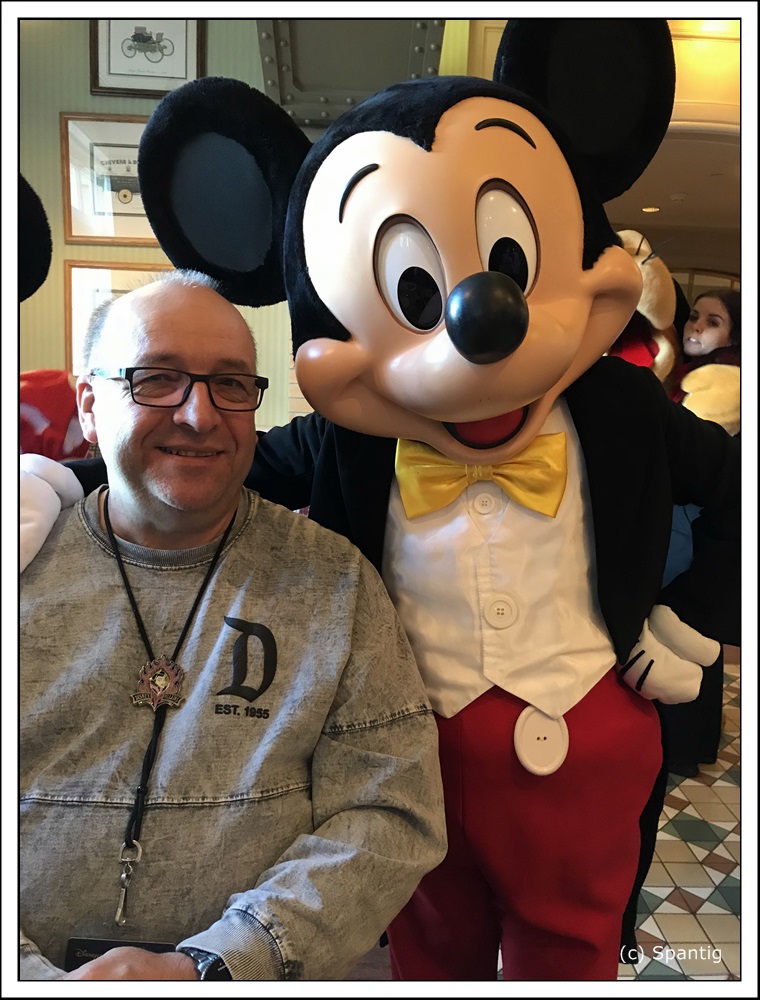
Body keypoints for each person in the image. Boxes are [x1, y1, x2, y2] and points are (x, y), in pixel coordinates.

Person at [19, 270, 446, 981]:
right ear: (90, 405)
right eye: (157, 379)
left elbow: (391, 811)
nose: (199, 414)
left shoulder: (336, 583)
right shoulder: (23, 562)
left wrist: (219, 964)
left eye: (231, 384)